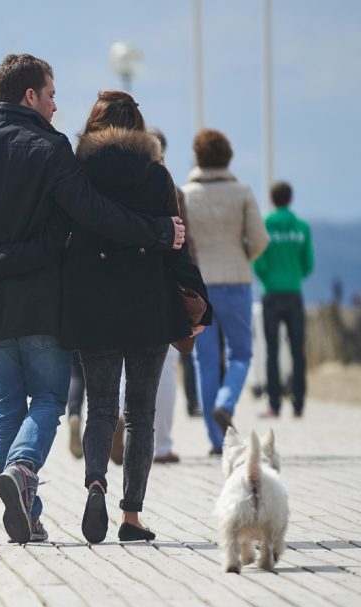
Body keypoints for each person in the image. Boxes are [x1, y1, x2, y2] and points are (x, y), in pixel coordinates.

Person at [0, 54, 186, 545]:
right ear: (30, 96)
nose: (57, 106)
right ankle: (22, 469)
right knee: (51, 400)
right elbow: (93, 214)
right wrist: (159, 231)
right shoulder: (51, 149)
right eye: (52, 94)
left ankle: (29, 515)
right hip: (40, 300)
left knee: (5, 410)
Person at [60, 91, 211, 544]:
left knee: (100, 407)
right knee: (140, 414)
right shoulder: (156, 175)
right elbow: (177, 245)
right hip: (149, 305)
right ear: (139, 127)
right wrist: (198, 300)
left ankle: (94, 484)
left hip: (95, 308)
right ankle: (131, 517)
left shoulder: (77, 173)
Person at [181, 130, 270, 453]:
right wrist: (239, 256)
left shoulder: (186, 193)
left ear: (197, 157)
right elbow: (260, 239)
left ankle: (216, 441)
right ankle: (226, 400)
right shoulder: (242, 192)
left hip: (199, 284)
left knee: (204, 361)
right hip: (235, 281)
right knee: (242, 353)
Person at [147, 127, 192, 464]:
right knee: (166, 370)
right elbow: (186, 249)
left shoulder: (117, 187)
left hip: (125, 290)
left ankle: (120, 419)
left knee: (122, 366)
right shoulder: (175, 191)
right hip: (167, 289)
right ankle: (162, 444)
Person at [255, 180, 314, 418]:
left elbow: (258, 260)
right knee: (298, 350)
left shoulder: (265, 224)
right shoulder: (302, 227)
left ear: (271, 199)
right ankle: (299, 403)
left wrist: (268, 278)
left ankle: (274, 404)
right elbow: (308, 263)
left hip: (271, 293)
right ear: (291, 199)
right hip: (294, 293)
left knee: (272, 350)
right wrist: (294, 276)